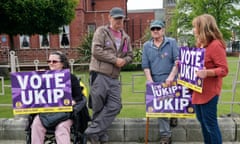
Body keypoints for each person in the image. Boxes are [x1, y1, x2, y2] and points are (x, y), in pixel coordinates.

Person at [84, 7, 133, 144]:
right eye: (116, 18)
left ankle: (91, 131)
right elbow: (96, 51)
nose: (118, 21)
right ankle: (100, 138)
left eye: (121, 19)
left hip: (114, 78)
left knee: (115, 105)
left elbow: (130, 55)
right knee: (98, 107)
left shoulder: (125, 37)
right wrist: (115, 60)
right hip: (99, 74)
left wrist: (125, 60)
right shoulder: (101, 32)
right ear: (109, 18)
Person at [31, 51, 85, 144]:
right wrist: (37, 79)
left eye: (54, 61)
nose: (51, 63)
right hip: (47, 113)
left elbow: (79, 97)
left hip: (65, 114)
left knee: (61, 128)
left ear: (62, 64)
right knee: (36, 124)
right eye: (49, 61)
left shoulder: (71, 78)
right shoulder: (43, 77)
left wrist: (72, 102)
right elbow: (33, 95)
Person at [192, 14, 228, 144]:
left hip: (209, 92)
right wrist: (184, 64)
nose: (193, 30)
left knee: (210, 125)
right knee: (203, 123)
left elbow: (224, 69)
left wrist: (207, 72)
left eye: (195, 27)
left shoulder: (216, 45)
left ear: (203, 28)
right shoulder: (201, 45)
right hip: (198, 90)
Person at [141, 20, 179, 144]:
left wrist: (171, 77)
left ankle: (174, 116)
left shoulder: (172, 42)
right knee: (161, 109)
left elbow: (177, 61)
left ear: (163, 30)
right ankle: (166, 136)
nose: (155, 31)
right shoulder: (146, 46)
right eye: (153, 29)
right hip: (156, 80)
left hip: (171, 79)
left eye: (158, 28)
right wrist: (150, 80)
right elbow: (145, 65)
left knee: (172, 105)